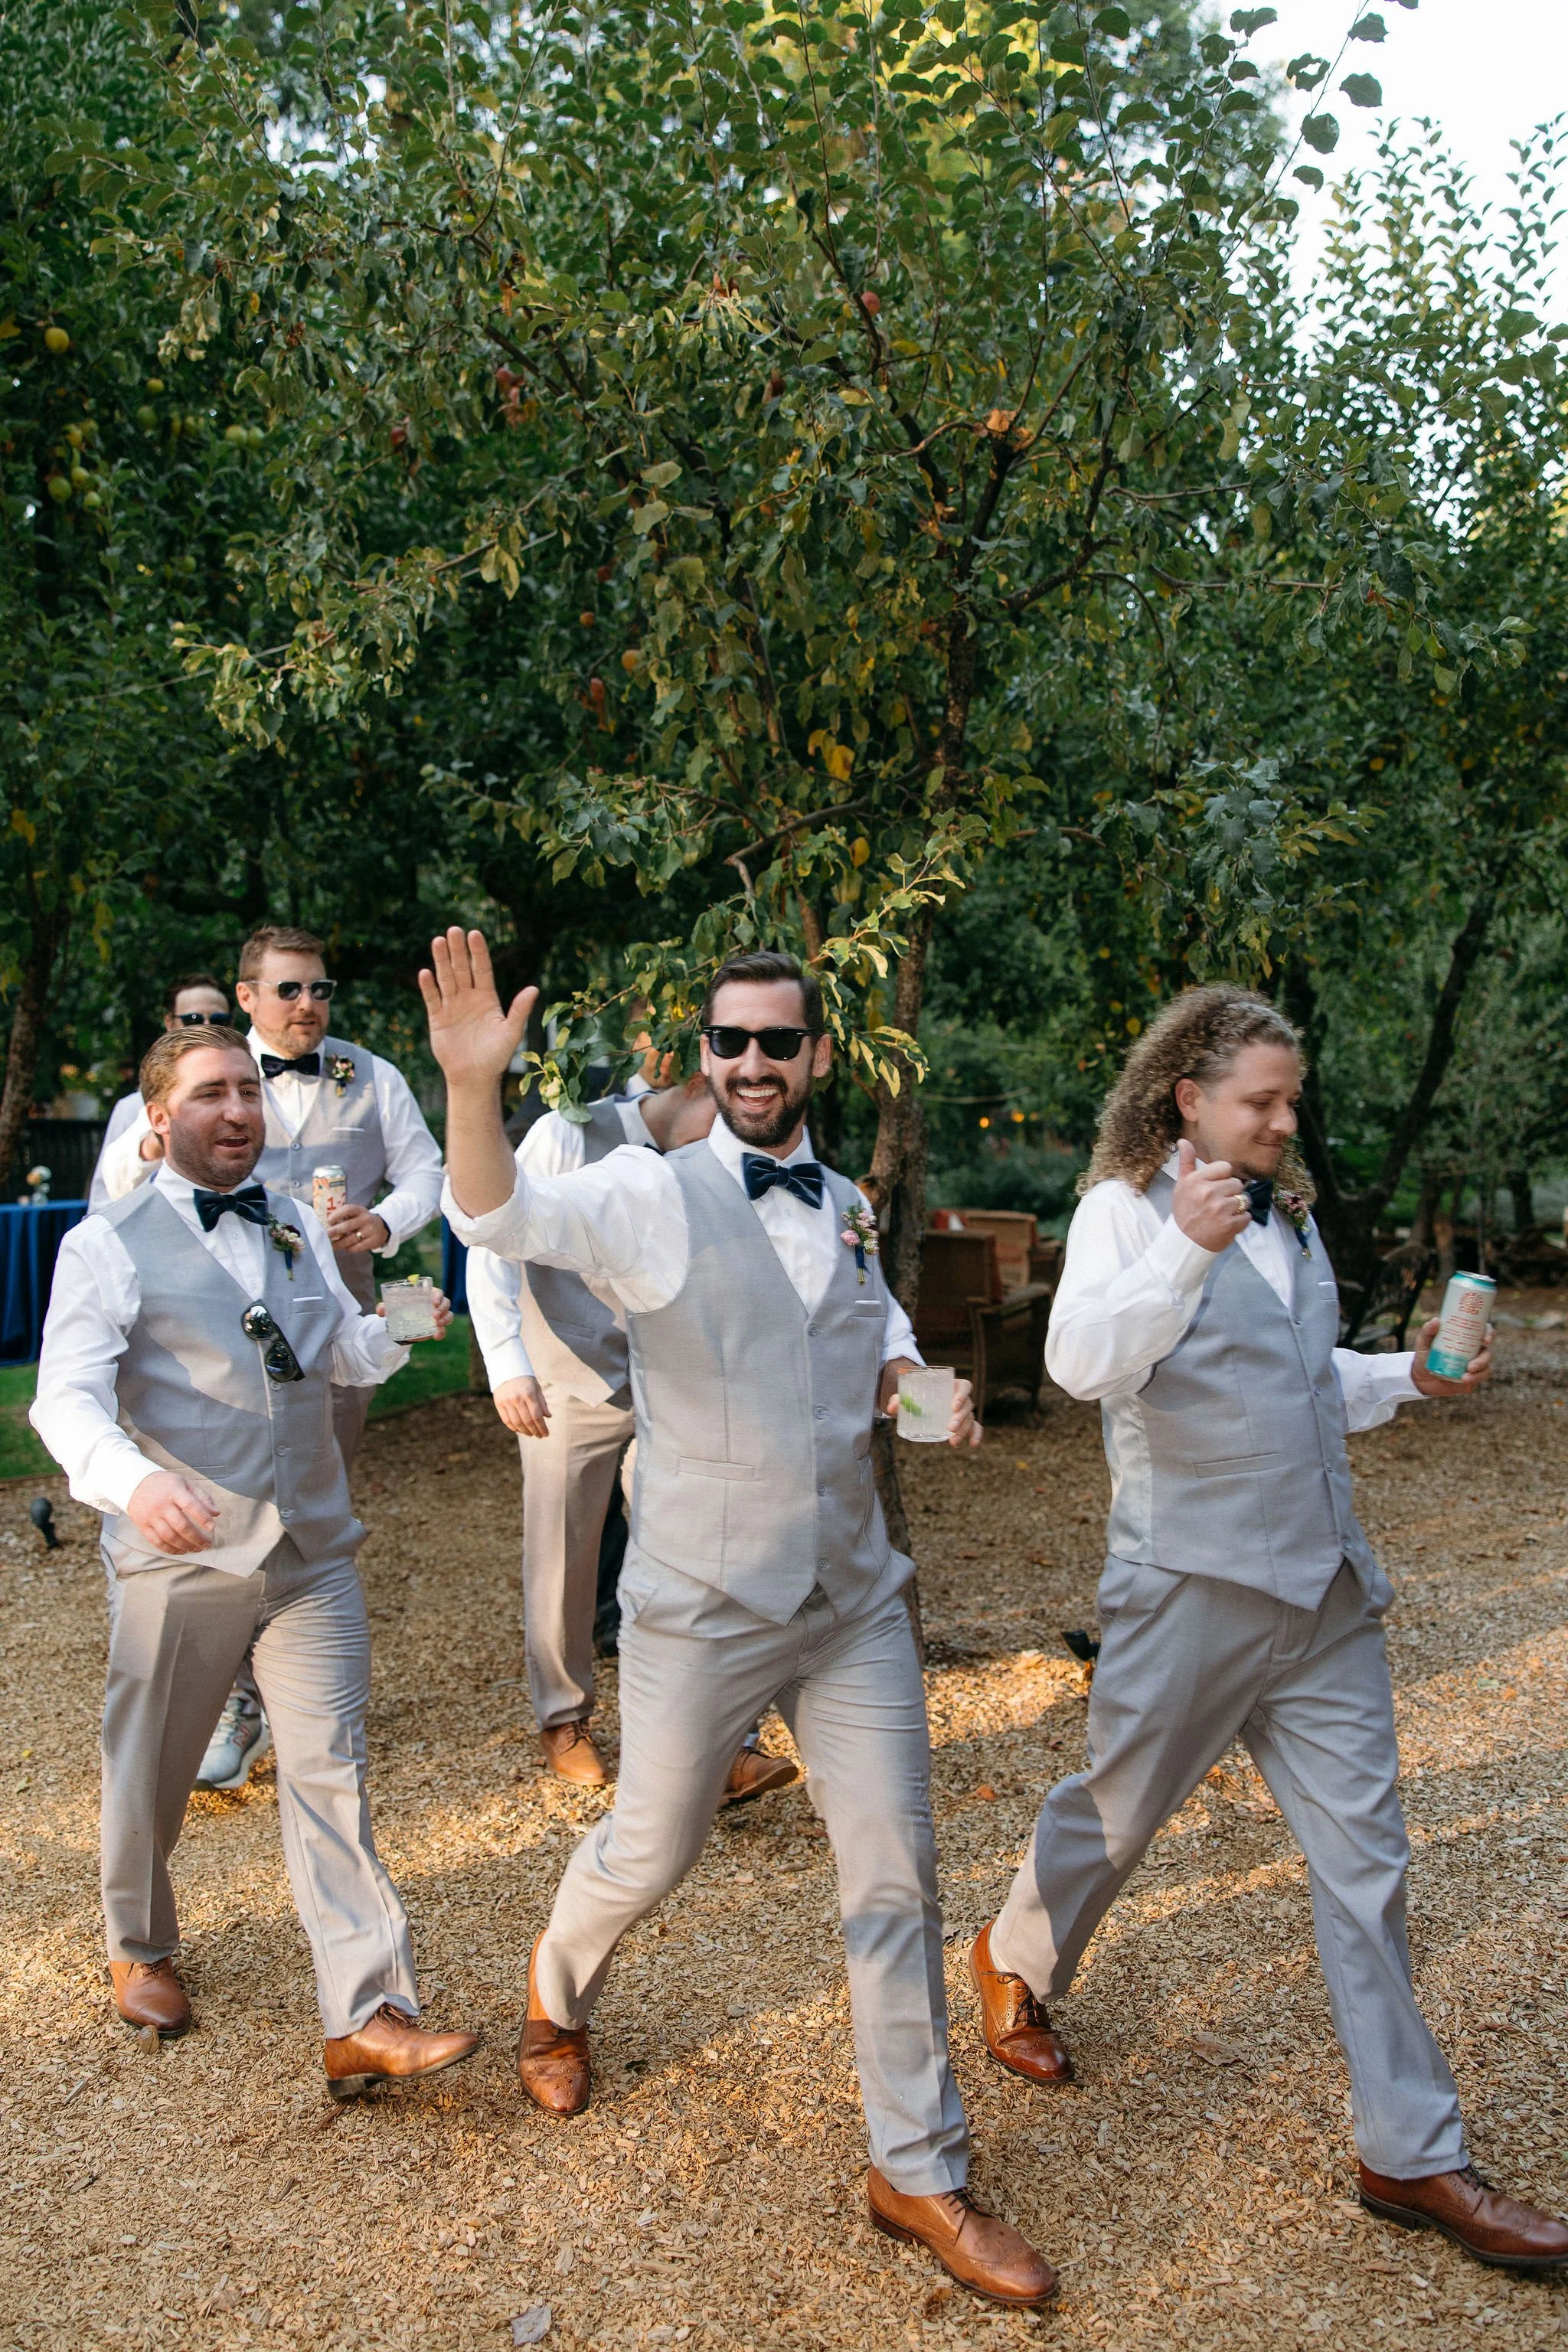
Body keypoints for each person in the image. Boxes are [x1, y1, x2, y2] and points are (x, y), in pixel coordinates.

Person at [427, 928, 1057, 2311]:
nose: (754, 1062)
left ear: (817, 1055)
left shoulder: (840, 1198)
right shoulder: (646, 1195)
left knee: (893, 1874)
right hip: (700, 1604)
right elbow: (496, 1220)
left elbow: (871, 1330)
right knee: (652, 1844)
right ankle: (557, 1977)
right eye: (731, 1042)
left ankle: (917, 2168)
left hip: (850, 1597)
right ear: (704, 1056)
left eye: (779, 1040)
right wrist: (474, 1091)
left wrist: (917, 1387)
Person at [969, 985, 1568, 2274]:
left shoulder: (1286, 1218)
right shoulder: (1122, 1213)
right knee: (1115, 1814)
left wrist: (1405, 1373)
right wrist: (1179, 1247)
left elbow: (1299, 1381)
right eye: (1261, 1101)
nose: (1283, 1122)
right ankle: (1014, 1950)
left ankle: (1410, 2150)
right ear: (1185, 1097)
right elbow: (1080, 1365)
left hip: (1323, 1599)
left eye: (1287, 1100)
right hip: (1184, 1589)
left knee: (1369, 1865)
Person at [31, 1027, 478, 2096]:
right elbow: (65, 1397)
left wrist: (396, 1332)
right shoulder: (106, 1242)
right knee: (153, 1769)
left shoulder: (290, 1222)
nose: (237, 1110)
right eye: (209, 1094)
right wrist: (134, 1483)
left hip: (312, 1551)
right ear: (158, 1118)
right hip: (180, 1561)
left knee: (332, 1774)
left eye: (247, 1091)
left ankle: (367, 2010)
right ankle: (139, 1944)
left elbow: (329, 1352)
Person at [99, 924, 445, 1793]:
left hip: (329, 1319)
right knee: (209, 1523)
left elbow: (426, 1173)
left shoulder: (373, 1075)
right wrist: (162, 1140)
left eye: (321, 989)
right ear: (246, 996)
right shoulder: (186, 1079)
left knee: (307, 1514)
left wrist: (386, 1224)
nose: (308, 1005)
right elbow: (115, 1194)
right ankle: (228, 1702)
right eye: (290, 990)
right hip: (199, 1342)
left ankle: (303, 1694)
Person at [466, 1072, 801, 1803]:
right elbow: (494, 1238)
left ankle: (714, 1739)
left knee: (691, 1549)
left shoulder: (722, 1155)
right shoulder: (567, 1130)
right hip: (561, 1372)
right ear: (687, 1084)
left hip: (669, 1376)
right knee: (565, 1550)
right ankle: (564, 1717)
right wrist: (506, 1365)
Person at [88, 974, 232, 1212]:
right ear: (169, 1023)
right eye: (193, 1019)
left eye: (219, 1020)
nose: (207, 1029)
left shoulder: (250, 1103)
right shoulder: (133, 1108)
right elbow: (101, 1209)